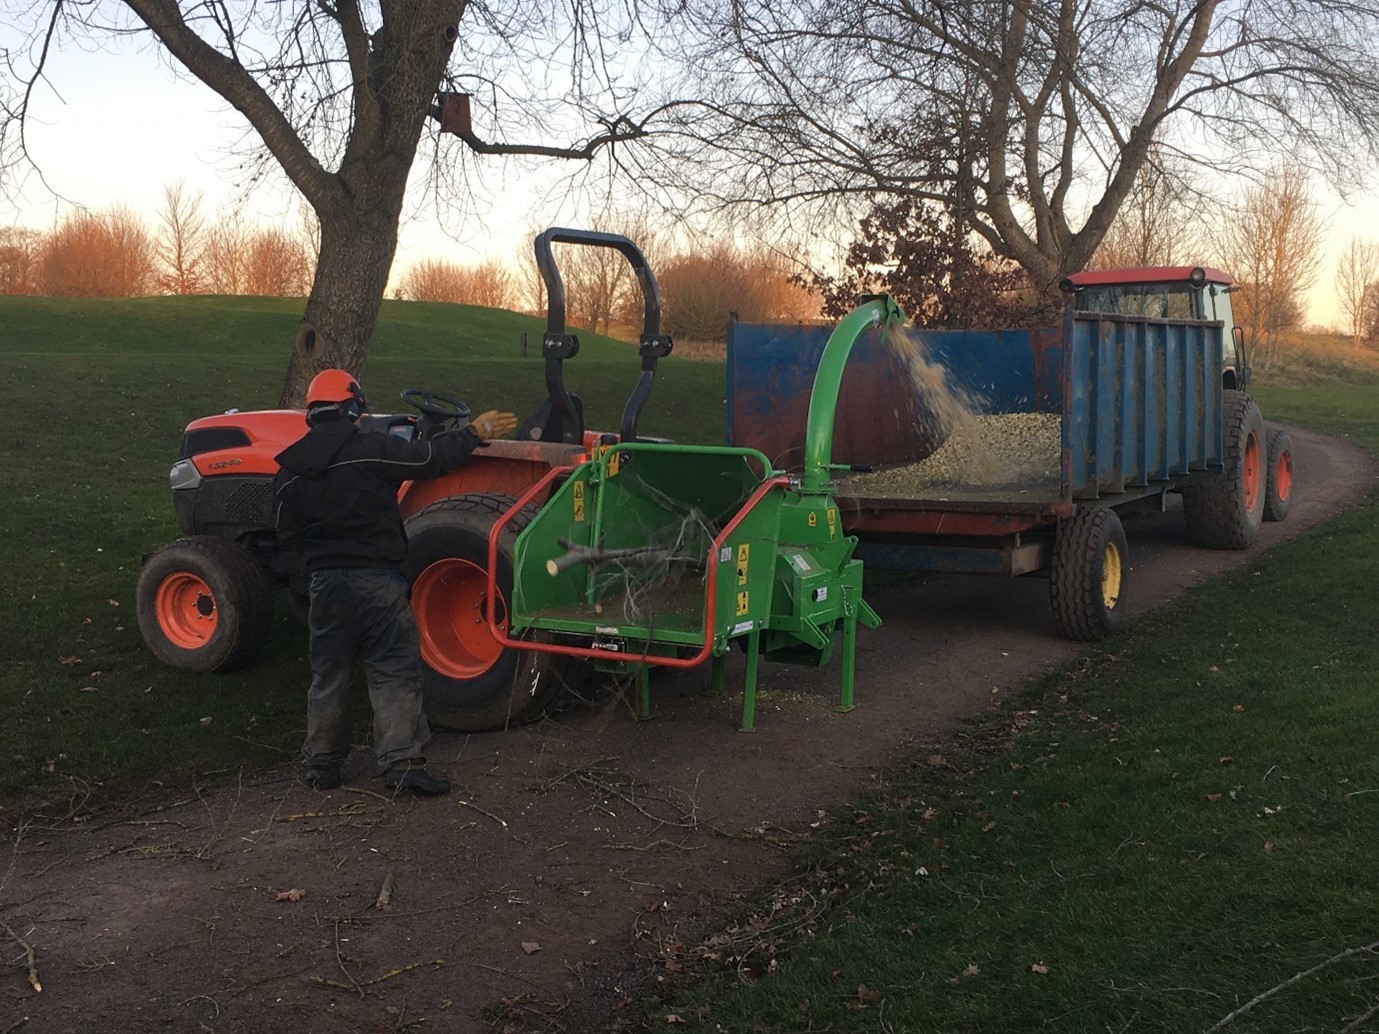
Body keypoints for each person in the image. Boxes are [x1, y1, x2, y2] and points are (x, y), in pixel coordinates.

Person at [273, 368, 518, 795]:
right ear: (354, 408)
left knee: (328, 674)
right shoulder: (372, 450)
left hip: (325, 587)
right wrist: (473, 433)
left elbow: (284, 533)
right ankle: (401, 764)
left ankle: (323, 766)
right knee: (393, 669)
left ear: (311, 414)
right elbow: (428, 460)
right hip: (377, 582)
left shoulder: (290, 469)